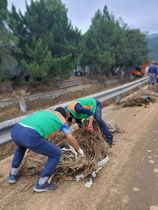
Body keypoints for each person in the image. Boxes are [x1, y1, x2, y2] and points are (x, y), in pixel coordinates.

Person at [8, 107, 84, 192]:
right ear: (65, 116)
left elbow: (41, 129)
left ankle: (13, 174)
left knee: (20, 148)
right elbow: (71, 139)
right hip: (31, 135)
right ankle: (42, 183)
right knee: (56, 153)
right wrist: (79, 150)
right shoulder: (62, 121)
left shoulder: (45, 112)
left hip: (16, 130)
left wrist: (30, 145)